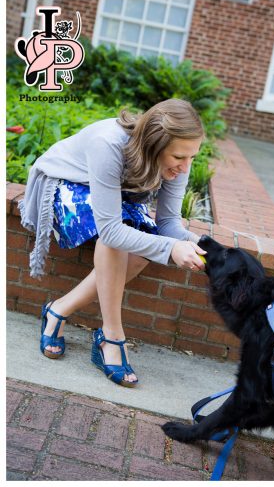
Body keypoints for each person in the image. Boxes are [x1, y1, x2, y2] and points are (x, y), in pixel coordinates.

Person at [19, 98, 208, 388]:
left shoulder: (176, 162)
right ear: (155, 145)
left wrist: (207, 246)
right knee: (119, 236)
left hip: (112, 197)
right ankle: (112, 336)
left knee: (146, 241)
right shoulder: (109, 144)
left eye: (192, 157)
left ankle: (58, 310)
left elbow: (168, 224)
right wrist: (170, 248)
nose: (186, 167)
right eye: (179, 157)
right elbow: (110, 231)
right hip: (64, 183)